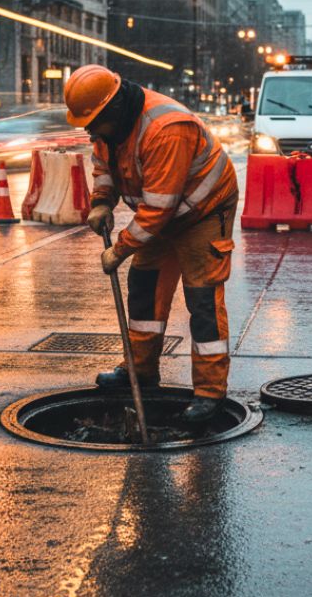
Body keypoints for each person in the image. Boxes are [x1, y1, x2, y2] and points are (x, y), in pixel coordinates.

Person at [64, 65, 239, 422]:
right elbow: (104, 166)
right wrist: (102, 200)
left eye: (93, 122)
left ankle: (209, 393)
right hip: (161, 210)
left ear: (112, 108)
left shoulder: (167, 129)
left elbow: (159, 210)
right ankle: (140, 374)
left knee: (202, 298)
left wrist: (120, 249)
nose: (88, 129)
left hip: (202, 211)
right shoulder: (107, 128)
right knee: (144, 288)